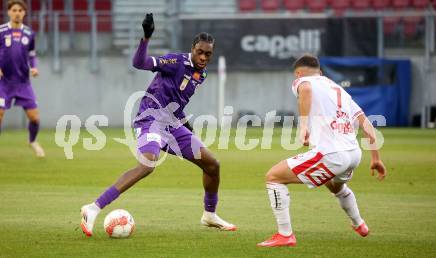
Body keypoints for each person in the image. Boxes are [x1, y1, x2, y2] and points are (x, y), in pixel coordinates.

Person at [80, 13, 236, 237]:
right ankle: (93, 208)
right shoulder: (176, 62)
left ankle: (209, 215)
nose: (203, 57)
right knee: (147, 165)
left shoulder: (200, 74)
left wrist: (187, 128)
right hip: (150, 120)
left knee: (213, 165)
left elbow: (177, 103)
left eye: (208, 54)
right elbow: (139, 63)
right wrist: (146, 37)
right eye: (200, 52)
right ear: (192, 49)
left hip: (172, 125)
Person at [257, 54, 387, 247]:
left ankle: (285, 235)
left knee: (273, 177)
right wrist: (376, 158)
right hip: (353, 154)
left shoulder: (303, 81)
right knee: (335, 186)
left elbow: (306, 88)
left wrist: (303, 127)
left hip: (331, 154)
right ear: (320, 71)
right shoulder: (340, 90)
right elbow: (367, 125)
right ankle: (359, 224)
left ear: (298, 73)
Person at [0, 0, 44, 157]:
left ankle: (32, 141)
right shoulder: (1, 31)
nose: (17, 13)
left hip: (23, 83)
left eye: (20, 10)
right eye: (14, 10)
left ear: (24, 13)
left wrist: (34, 67)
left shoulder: (29, 33)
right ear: (9, 12)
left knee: (35, 118)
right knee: (0, 113)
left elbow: (32, 55)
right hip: (4, 83)